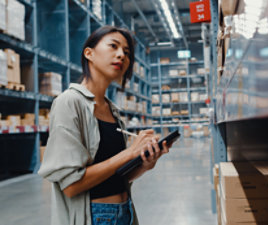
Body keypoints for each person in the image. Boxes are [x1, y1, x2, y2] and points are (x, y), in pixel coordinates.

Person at [38, 25, 171, 225]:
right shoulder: (69, 102)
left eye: (126, 53)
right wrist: (129, 152)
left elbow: (117, 175)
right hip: (96, 216)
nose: (121, 56)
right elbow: (72, 185)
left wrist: (144, 164)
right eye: (113, 46)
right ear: (89, 53)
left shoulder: (113, 111)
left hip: (126, 213)